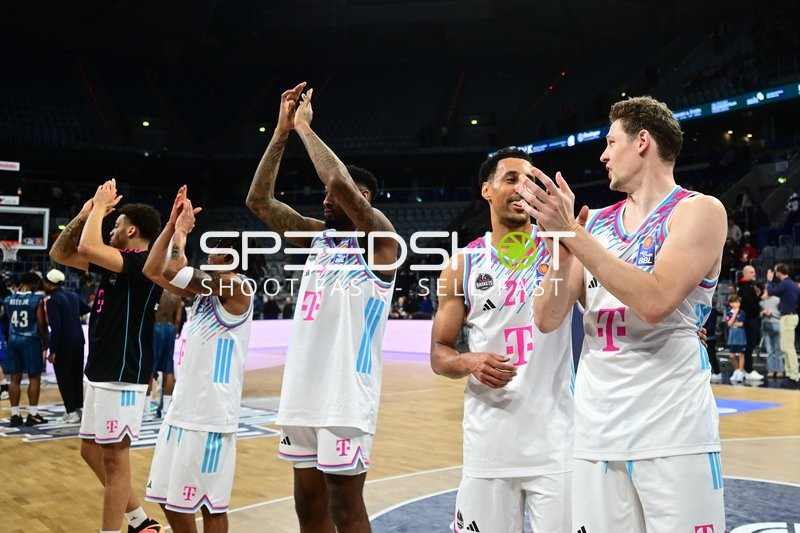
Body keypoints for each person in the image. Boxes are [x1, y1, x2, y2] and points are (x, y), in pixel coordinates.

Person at [517, 95, 727, 531]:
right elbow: (548, 317)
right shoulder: (593, 225)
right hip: (597, 431)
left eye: (611, 142)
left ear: (643, 142)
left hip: (673, 430)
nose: (603, 154)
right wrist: (560, 250)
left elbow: (654, 301)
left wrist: (573, 233)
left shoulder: (699, 211)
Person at [246, 83, 397, 532]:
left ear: (364, 200)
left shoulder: (383, 242)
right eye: (327, 198)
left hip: (347, 394)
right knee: (307, 504)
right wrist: (280, 133)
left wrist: (304, 129)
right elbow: (258, 202)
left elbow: (337, 182)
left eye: (343, 196)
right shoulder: (317, 237)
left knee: (344, 504)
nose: (326, 199)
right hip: (303, 388)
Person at [430, 147, 574, 532]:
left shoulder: (564, 250)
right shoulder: (462, 264)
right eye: (511, 179)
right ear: (487, 191)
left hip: (558, 442)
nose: (521, 188)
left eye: (528, 181)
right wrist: (469, 361)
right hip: (489, 444)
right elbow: (439, 354)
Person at [142, 186, 260, 533]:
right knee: (167, 498)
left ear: (234, 257)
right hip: (184, 408)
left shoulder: (238, 287)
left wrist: (183, 232)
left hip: (209, 413)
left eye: (217, 248)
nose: (209, 252)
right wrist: (170, 226)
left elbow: (177, 270)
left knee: (208, 505)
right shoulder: (207, 292)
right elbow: (153, 269)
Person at [50, 179, 164, 533]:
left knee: (115, 461)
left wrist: (99, 206)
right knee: (91, 452)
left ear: (131, 230)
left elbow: (88, 245)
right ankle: (140, 521)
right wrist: (85, 213)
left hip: (123, 372)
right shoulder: (115, 263)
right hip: (100, 371)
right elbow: (60, 253)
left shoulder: (142, 263)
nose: (111, 228)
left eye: (116, 225)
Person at [42, 268, 91, 423]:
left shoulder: (52, 301)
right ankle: (80, 409)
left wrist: (52, 350)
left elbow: (56, 327)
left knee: (64, 378)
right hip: (79, 341)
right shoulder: (73, 295)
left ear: (50, 284)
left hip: (64, 344)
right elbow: (87, 309)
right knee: (76, 376)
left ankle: (71, 412)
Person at [3, 271, 48, 427]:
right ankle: (33, 414)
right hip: (30, 339)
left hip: (14, 338)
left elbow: (8, 320)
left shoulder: (8, 300)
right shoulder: (37, 299)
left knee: (14, 379)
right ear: (35, 284)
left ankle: (15, 415)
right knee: (34, 377)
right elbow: (41, 323)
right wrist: (45, 341)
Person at [766, 263, 800, 389]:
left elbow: (770, 291)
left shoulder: (785, 284)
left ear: (779, 272)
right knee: (786, 347)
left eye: (775, 272)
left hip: (788, 317)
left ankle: (794, 376)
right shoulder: (792, 284)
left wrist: (769, 280)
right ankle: (790, 375)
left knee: (788, 348)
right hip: (791, 316)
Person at [149, 290, 182, 418]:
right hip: (170, 328)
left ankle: (147, 409)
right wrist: (175, 331)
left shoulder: (154, 291)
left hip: (155, 327)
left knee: (150, 368)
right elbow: (178, 318)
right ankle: (167, 409)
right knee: (168, 369)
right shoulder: (176, 294)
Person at [737, 265, 764, 380]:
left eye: (754, 272)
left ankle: (747, 369)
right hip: (749, 320)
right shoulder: (745, 287)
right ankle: (748, 370)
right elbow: (750, 303)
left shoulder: (749, 286)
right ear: (745, 274)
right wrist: (759, 297)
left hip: (752, 319)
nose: (754, 274)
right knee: (749, 345)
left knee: (751, 344)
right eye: (752, 272)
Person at [760, 286, 783, 379]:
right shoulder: (761, 301)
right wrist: (764, 313)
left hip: (776, 324)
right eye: (765, 289)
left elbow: (781, 313)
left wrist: (772, 313)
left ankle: (780, 370)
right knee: (769, 349)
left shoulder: (778, 300)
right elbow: (758, 314)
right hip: (765, 325)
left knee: (778, 349)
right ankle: (771, 370)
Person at [726, 295, 747, 382]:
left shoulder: (742, 312)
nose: (737, 304)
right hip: (732, 335)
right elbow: (729, 324)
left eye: (738, 302)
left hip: (740, 334)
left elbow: (741, 324)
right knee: (732, 355)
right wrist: (734, 315)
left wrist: (733, 323)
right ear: (731, 303)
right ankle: (737, 370)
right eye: (735, 302)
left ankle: (741, 372)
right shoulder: (729, 313)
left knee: (741, 354)